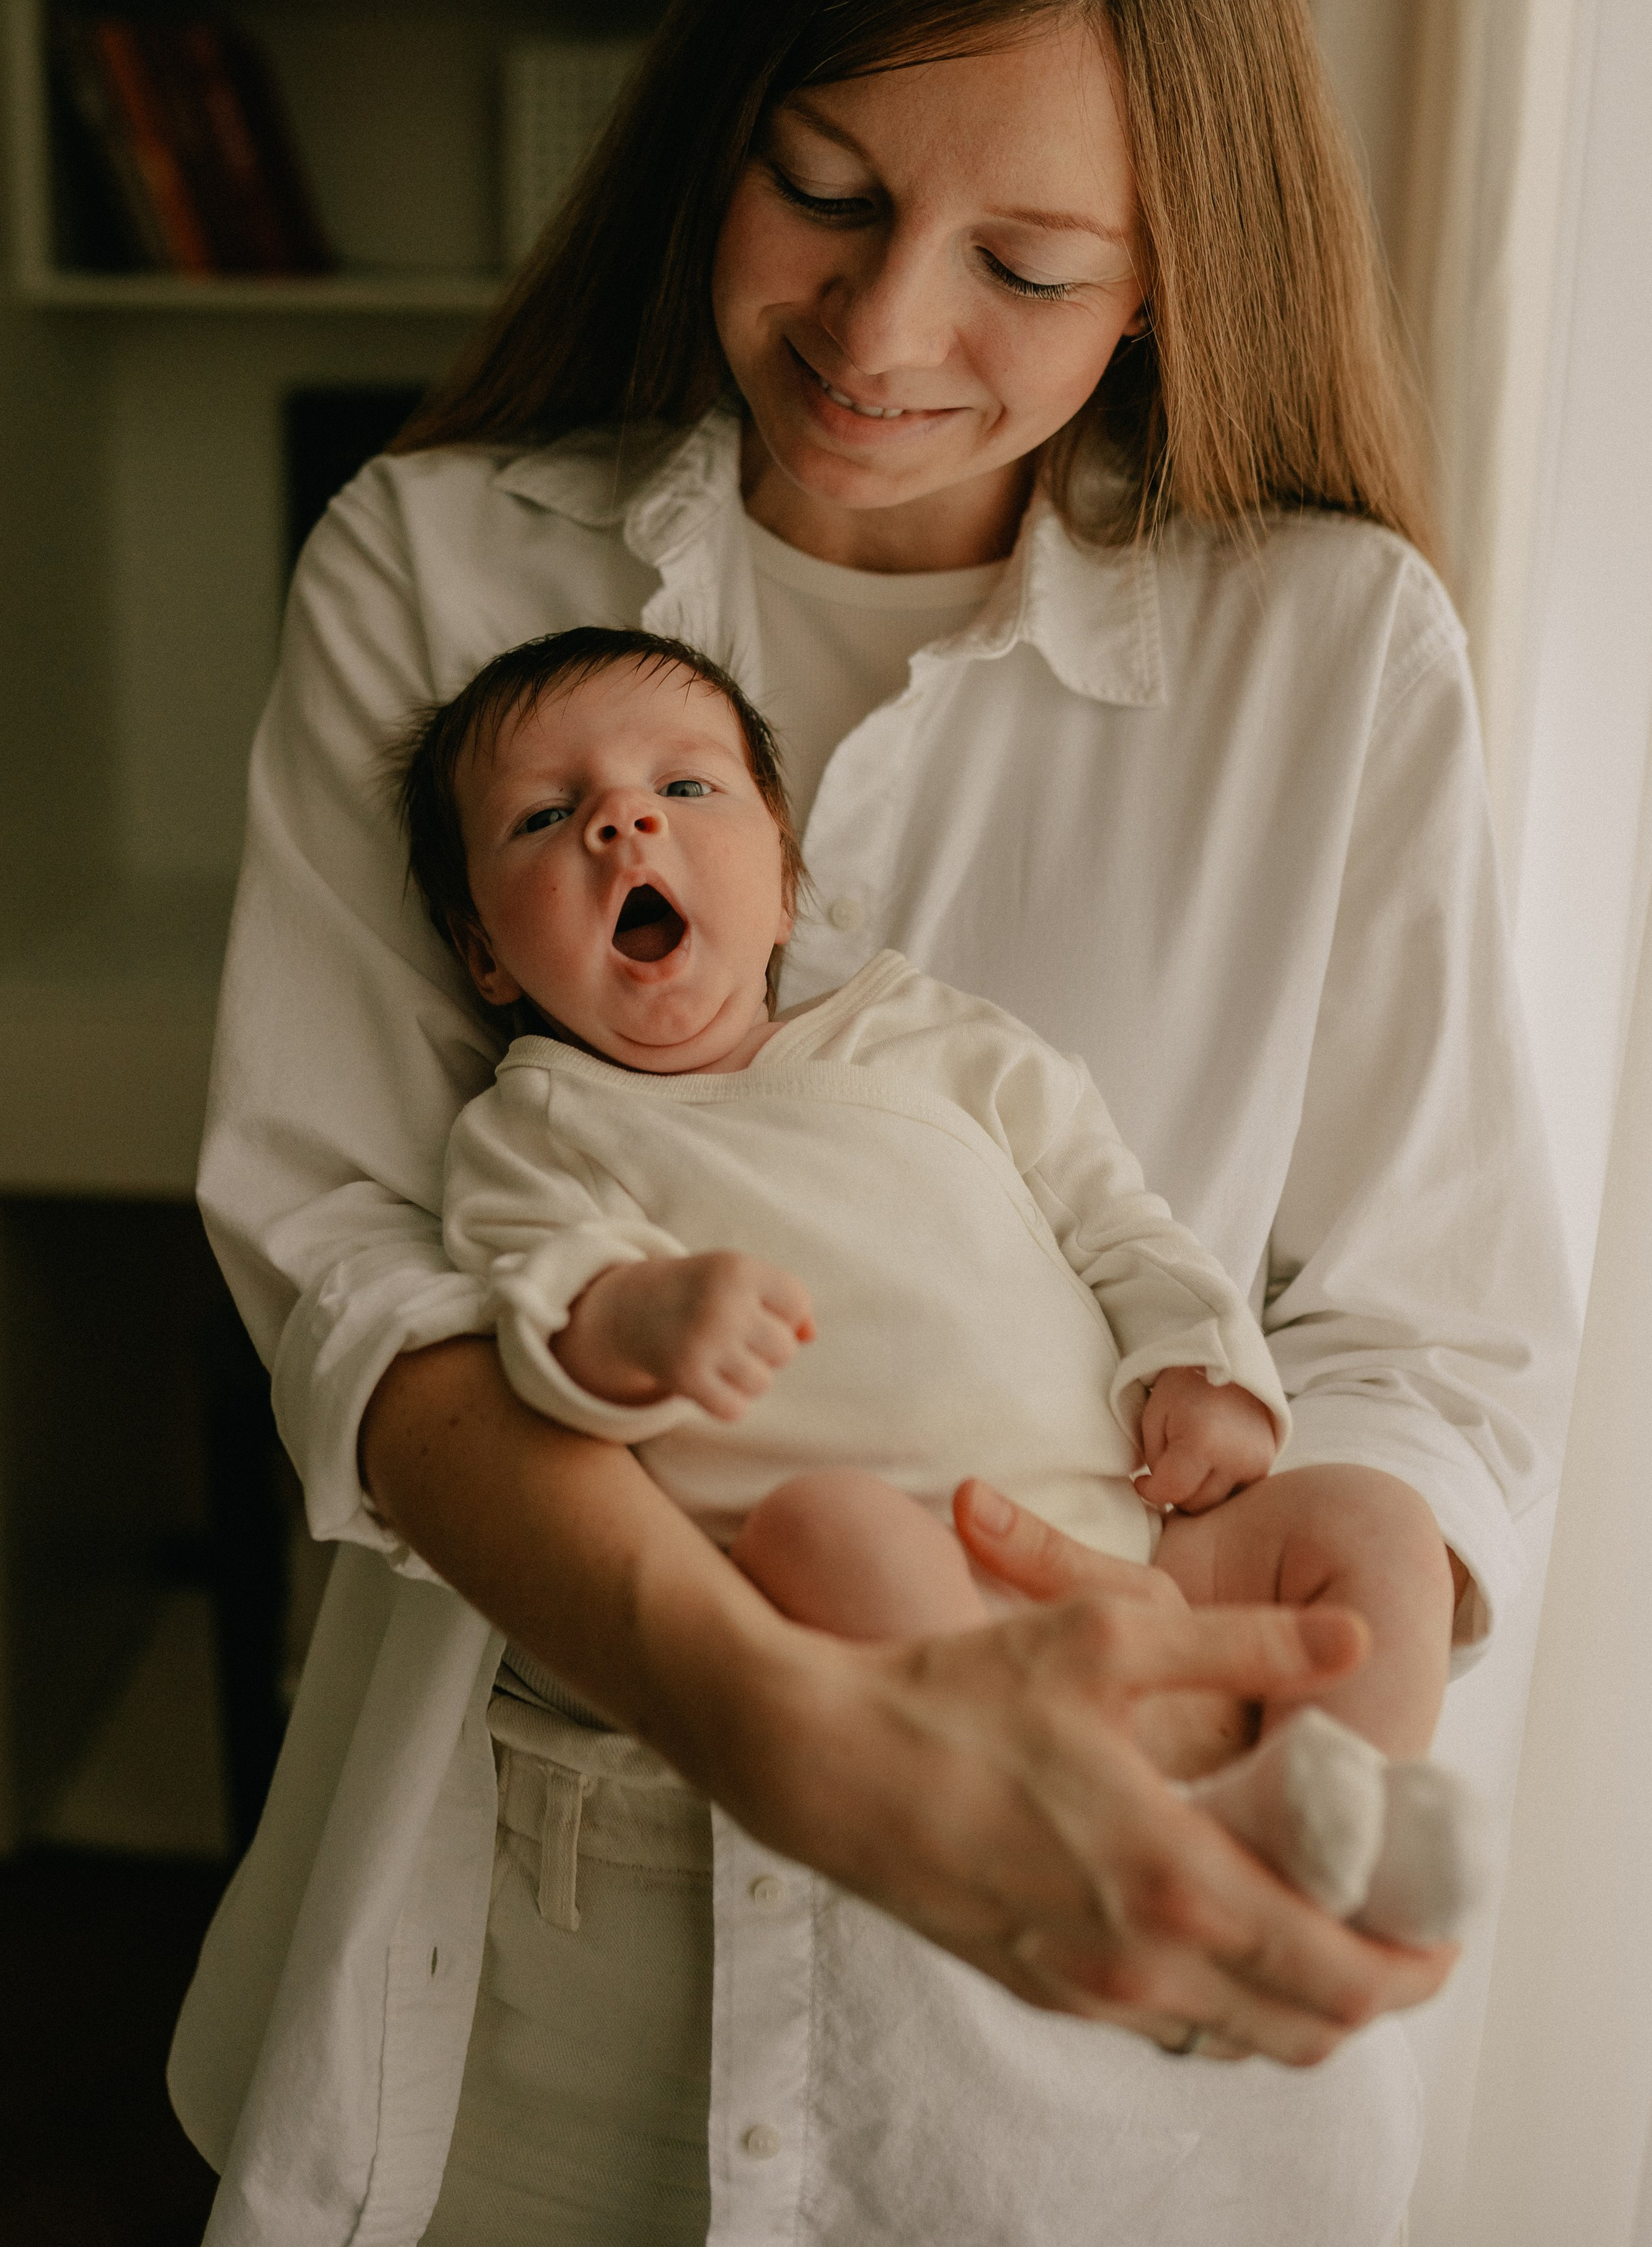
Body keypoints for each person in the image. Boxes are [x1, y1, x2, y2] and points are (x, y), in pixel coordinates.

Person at [169, 0, 1576, 2247]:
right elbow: (350, 1269)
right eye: (823, 188)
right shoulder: (438, 574)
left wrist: (1282, 1692)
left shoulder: (1330, 650)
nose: (880, 327)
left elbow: (1431, 1327)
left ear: (1173, 278)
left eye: (1029, 269)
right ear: (724, 115)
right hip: (550, 1947)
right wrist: (792, 1728)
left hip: (1105, 2017)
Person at [409, 622, 1488, 1943]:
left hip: (1139, 1529)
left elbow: (1118, 1218)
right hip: (903, 1594)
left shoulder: (931, 1037)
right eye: (544, 815)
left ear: (786, 878)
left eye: (686, 789)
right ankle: (1137, 1833)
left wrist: (1201, 1363)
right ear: (486, 957)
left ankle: (1341, 1805)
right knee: (824, 1528)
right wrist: (638, 1318)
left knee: (1375, 1521)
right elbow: (538, 1302)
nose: (624, 825)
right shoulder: (543, 1126)